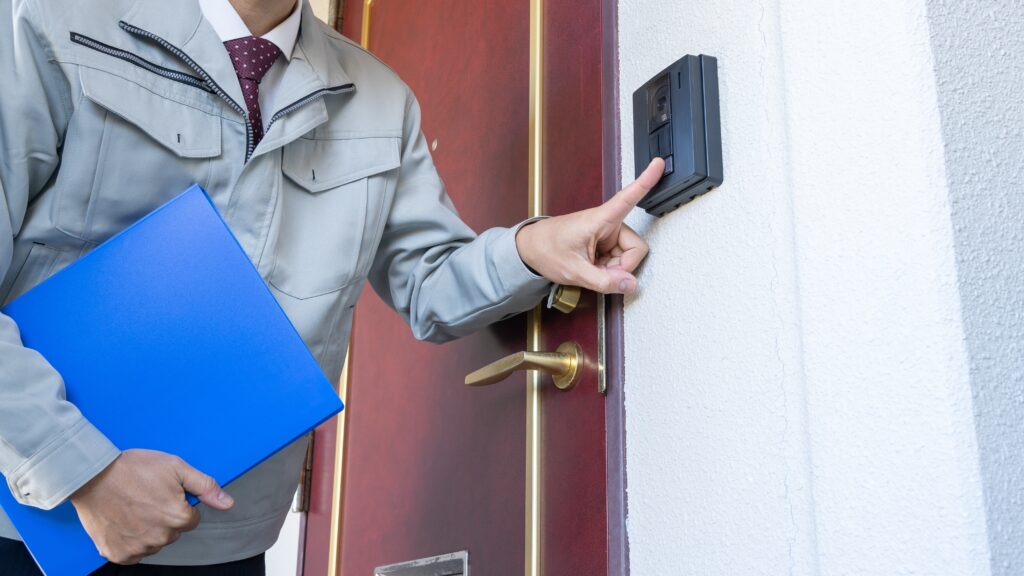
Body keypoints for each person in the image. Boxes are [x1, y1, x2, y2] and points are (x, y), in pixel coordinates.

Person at [0, 0, 662, 573]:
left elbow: (430, 284)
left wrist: (531, 251)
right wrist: (81, 469)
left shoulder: (381, 99)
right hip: (29, 509)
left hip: (221, 538)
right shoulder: (48, 20)